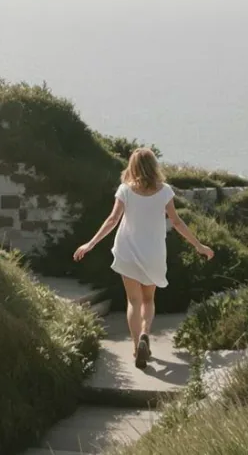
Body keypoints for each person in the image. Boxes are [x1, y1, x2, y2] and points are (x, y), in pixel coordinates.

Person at [73, 148, 214, 368]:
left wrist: (90, 244)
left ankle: (135, 346)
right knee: (148, 300)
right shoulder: (165, 191)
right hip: (153, 254)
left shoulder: (125, 190)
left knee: (133, 301)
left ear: (133, 166)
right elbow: (177, 222)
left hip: (128, 252)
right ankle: (144, 335)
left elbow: (112, 220)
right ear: (153, 165)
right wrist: (199, 246)